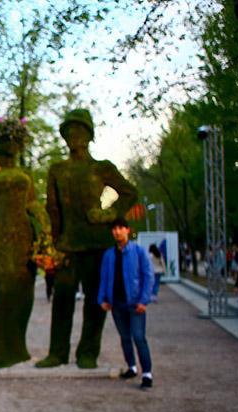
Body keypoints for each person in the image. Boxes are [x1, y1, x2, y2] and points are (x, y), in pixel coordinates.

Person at [36, 109, 139, 369]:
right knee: (62, 301)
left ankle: (88, 353)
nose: (73, 136)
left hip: (97, 244)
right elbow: (53, 209)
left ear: (89, 135)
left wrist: (109, 214)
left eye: (79, 131)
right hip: (68, 245)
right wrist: (52, 243)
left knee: (94, 303)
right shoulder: (57, 170)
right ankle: (57, 353)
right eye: (69, 132)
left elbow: (129, 193)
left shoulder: (101, 167)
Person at [0, 117, 52, 367]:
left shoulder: (26, 174)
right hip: (0, 238)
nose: (8, 143)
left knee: (23, 291)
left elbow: (32, 202)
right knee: (1, 294)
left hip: (24, 237)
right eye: (3, 138)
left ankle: (18, 346)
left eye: (13, 139)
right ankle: (1, 348)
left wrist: (42, 221)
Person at [98, 217, 155, 389]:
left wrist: (144, 300)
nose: (117, 231)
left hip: (135, 303)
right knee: (124, 338)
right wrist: (102, 299)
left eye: (121, 228)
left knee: (139, 337)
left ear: (127, 230)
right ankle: (131, 366)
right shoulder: (109, 255)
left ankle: (147, 373)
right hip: (117, 303)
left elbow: (148, 276)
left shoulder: (139, 252)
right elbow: (104, 277)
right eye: (114, 229)